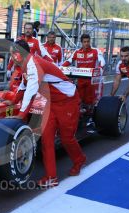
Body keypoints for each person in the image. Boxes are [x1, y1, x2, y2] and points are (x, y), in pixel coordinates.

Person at [9, 40, 86, 188]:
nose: (11, 57)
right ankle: (51, 176)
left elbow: (30, 92)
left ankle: (79, 159)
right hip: (49, 103)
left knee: (66, 138)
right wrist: (12, 102)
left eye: (13, 54)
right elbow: (23, 87)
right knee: (46, 139)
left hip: (67, 100)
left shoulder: (34, 64)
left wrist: (20, 115)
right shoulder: (25, 66)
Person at [62, 34, 105, 113]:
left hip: (91, 80)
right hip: (80, 79)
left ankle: (91, 114)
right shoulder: (77, 52)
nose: (86, 43)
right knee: (79, 98)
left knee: (90, 99)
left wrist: (100, 68)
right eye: (84, 42)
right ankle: (81, 113)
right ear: (81, 43)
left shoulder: (95, 51)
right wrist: (60, 68)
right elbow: (68, 61)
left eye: (88, 41)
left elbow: (102, 61)